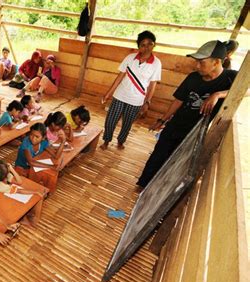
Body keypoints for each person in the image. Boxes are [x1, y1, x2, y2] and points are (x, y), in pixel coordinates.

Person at [136, 40, 240, 189]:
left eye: (201, 63)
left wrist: (218, 94)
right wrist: (163, 120)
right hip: (176, 125)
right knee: (158, 156)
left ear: (216, 62)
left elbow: (246, 90)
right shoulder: (193, 77)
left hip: (195, 133)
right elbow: (178, 100)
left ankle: (160, 189)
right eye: (196, 62)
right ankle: (143, 186)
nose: (197, 66)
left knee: (177, 163)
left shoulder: (231, 78)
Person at [100, 31, 162, 150]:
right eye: (143, 45)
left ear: (154, 45)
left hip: (136, 100)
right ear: (139, 46)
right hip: (120, 95)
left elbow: (152, 85)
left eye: (150, 44)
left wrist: (147, 102)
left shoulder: (156, 63)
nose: (147, 47)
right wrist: (108, 93)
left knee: (127, 124)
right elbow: (120, 77)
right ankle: (106, 141)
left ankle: (121, 141)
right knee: (110, 120)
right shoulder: (130, 58)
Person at [0, 160, 46, 226]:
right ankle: (21, 219)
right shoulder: (2, 187)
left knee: (15, 202)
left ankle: (24, 217)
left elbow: (19, 182)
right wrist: (35, 192)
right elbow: (19, 191)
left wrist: (11, 170)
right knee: (16, 205)